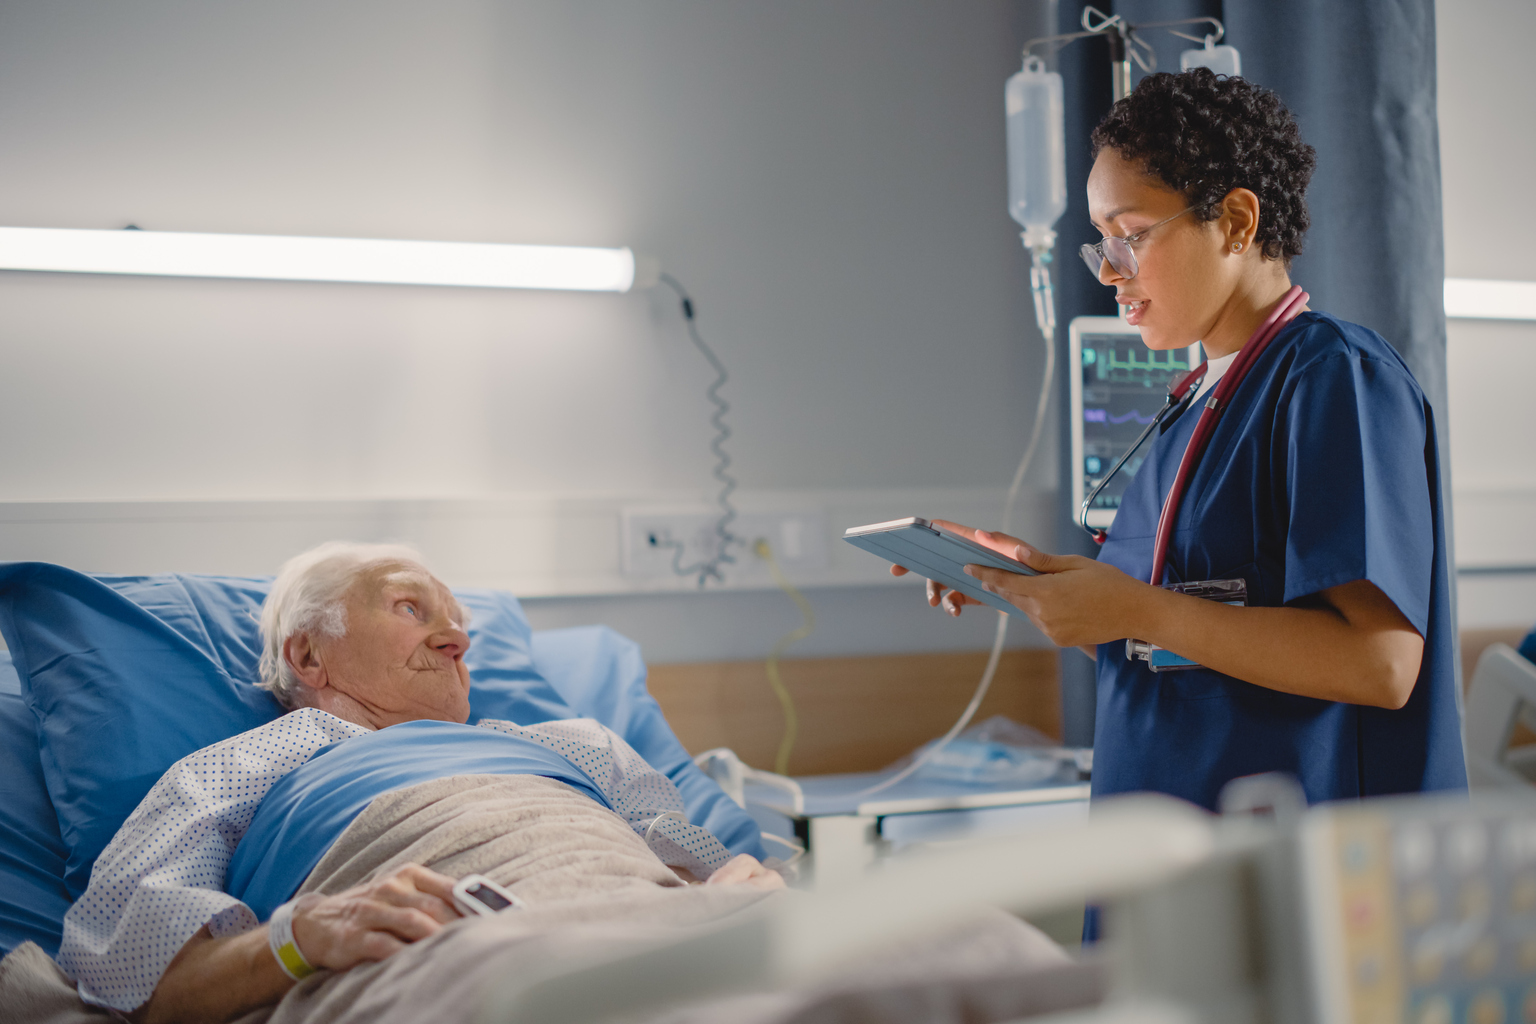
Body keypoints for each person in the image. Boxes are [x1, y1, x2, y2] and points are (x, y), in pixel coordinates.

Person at [897, 70, 1466, 816]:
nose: (1108, 272)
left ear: (1234, 220)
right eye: (1100, 244)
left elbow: (1381, 663)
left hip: (1297, 863)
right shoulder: (1195, 404)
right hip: (1165, 837)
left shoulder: (1334, 376)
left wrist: (1138, 610)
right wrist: (1039, 587)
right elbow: (1179, 630)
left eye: (1130, 237)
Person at [57, 542, 782, 1024]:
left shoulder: (576, 744)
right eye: (412, 608)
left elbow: (711, 866)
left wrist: (746, 891)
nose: (458, 639)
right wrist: (301, 938)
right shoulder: (242, 764)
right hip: (456, 954)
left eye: (462, 625)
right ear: (308, 654)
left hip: (663, 933)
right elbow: (136, 978)